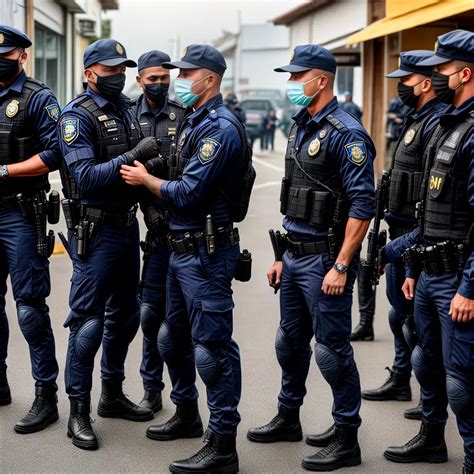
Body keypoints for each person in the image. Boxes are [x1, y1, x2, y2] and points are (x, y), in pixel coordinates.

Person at [246, 44, 375, 472]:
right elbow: (295, 204)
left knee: (332, 352)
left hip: (325, 263)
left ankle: (346, 436)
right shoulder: (301, 127)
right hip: (296, 257)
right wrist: (281, 255)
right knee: (290, 344)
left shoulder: (346, 133)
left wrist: (341, 265)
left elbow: (362, 206)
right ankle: (288, 417)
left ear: (321, 80)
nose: (291, 85)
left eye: (297, 77)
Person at [121, 44, 246, 473]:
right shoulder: (196, 120)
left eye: (187, 73)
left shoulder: (220, 128)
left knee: (212, 350)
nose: (178, 81)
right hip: (180, 249)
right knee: (171, 338)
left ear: (209, 78)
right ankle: (188, 413)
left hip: (206, 253)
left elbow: (188, 191)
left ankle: (223, 444)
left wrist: (145, 179)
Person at [58, 38, 159, 450]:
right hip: (95, 232)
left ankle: (111, 395)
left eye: (122, 69)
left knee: (127, 316)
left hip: (126, 228)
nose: (118, 76)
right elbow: (85, 177)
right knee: (88, 325)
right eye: (110, 69)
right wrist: (136, 155)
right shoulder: (76, 116)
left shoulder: (124, 109)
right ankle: (77, 412)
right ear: (89, 73)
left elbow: (136, 168)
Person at [382, 30, 474, 474]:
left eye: (439, 70)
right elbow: (427, 208)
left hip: (459, 278)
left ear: (463, 73)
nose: (434, 77)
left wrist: (470, 287)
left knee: (463, 380)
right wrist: (414, 264)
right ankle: (431, 439)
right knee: (427, 363)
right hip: (430, 271)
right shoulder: (445, 125)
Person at [361, 51, 446, 422]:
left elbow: (431, 193)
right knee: (400, 316)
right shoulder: (415, 119)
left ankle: (431, 395)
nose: (400, 87)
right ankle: (400, 377)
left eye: (406, 80)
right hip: (397, 230)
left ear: (425, 83)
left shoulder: (437, 123)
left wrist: (404, 242)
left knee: (417, 323)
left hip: (415, 237)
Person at [0, 25, 61, 434]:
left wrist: (5, 171)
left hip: (21, 214)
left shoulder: (38, 99)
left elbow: (56, 153)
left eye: (4, 56)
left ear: (22, 56)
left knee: (29, 309)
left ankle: (46, 396)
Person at [130, 49, 186, 414]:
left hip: (181, 228)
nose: (160, 84)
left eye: (165, 78)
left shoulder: (183, 115)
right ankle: (151, 388)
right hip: (151, 233)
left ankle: (185, 395)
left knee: (179, 319)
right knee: (150, 316)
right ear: (140, 80)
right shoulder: (127, 116)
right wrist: (149, 212)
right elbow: (124, 170)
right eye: (153, 79)